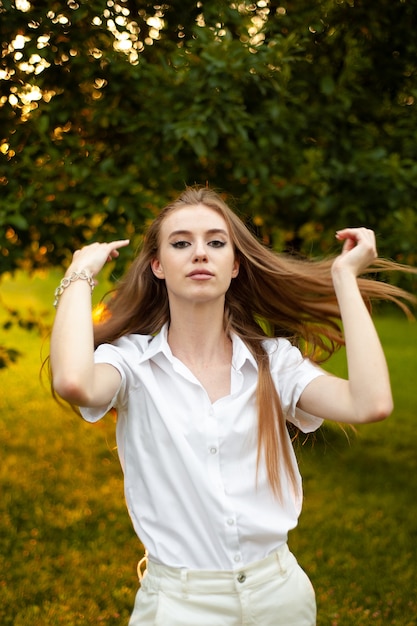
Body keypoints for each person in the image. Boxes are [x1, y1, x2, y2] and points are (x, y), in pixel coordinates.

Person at [50, 186, 415, 626]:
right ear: (158, 266)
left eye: (216, 242)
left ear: (236, 264)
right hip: (178, 605)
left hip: (280, 595)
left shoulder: (273, 362)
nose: (200, 253)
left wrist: (345, 279)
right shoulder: (130, 362)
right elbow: (72, 381)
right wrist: (79, 272)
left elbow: (370, 402)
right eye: (181, 242)